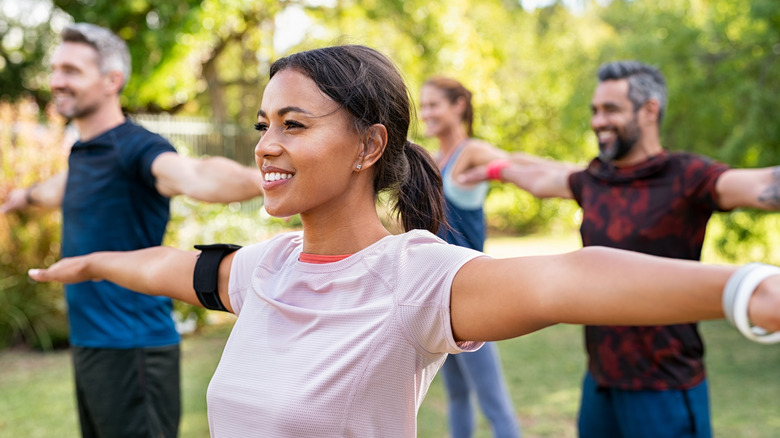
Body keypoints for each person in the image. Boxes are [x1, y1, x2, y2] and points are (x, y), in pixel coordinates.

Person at [26, 46, 780, 438]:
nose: (266, 145)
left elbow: (568, 278)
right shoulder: (266, 268)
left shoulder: (410, 278)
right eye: (262, 125)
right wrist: (96, 262)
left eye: (294, 124)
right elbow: (173, 268)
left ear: (366, 146)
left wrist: (742, 288)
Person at [459, 60, 780, 438]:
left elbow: (762, 183)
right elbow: (541, 177)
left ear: (649, 110)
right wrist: (493, 170)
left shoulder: (687, 177)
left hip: (665, 388)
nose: (597, 121)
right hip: (600, 384)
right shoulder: (594, 178)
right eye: (595, 110)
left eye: (610, 109)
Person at [1, 23, 263, 438]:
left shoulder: (136, 148)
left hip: (134, 349)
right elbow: (59, 187)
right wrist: (20, 198)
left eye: (71, 70)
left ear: (112, 81)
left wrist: (268, 180)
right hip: (92, 346)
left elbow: (194, 175)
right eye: (54, 69)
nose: (55, 81)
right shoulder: (86, 154)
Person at [420, 76, 520, 438]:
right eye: (424, 105)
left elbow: (513, 166)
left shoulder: (471, 152)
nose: (426, 112)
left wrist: (490, 172)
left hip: (472, 292)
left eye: (434, 104)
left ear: (458, 105)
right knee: (458, 395)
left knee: (491, 398)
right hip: (437, 295)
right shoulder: (432, 159)